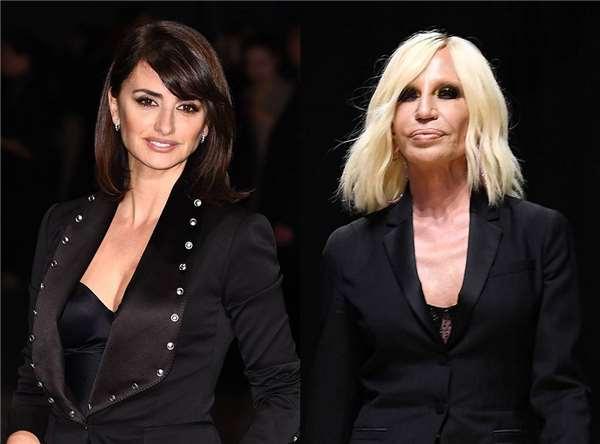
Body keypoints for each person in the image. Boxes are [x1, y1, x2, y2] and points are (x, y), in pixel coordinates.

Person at [7, 20, 300, 444]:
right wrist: (23, 433)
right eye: (147, 101)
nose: (165, 125)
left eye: (187, 107)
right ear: (114, 107)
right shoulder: (62, 224)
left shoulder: (235, 237)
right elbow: (35, 374)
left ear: (206, 123)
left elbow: (281, 389)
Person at [303, 31, 590, 443]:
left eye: (447, 92)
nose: (424, 111)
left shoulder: (539, 234)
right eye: (407, 95)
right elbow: (331, 398)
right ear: (390, 123)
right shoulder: (349, 248)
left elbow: (561, 391)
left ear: (479, 113)